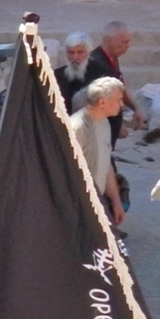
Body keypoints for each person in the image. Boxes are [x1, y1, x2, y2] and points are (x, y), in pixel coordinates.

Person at [68, 78, 128, 224]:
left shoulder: (104, 123)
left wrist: (115, 201)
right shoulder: (77, 127)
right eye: (119, 99)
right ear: (102, 102)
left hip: (96, 202)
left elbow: (105, 165)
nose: (122, 104)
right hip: (76, 206)